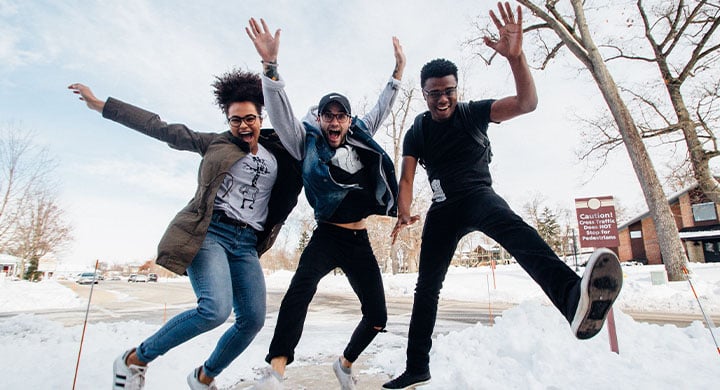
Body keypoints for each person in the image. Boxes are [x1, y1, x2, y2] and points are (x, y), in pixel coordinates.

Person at [382, 2, 623, 389]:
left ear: (456, 90)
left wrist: (516, 58)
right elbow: (407, 178)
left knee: (517, 232)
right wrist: (404, 212)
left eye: (448, 91)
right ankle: (416, 366)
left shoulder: (474, 113)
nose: (441, 100)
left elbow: (527, 103)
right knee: (426, 287)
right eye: (433, 94)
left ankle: (573, 299)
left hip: (479, 195)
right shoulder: (417, 131)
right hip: (443, 210)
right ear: (423, 93)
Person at [68, 70, 302, 390]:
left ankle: (203, 378)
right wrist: (103, 106)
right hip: (209, 235)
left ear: (261, 118)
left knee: (252, 321)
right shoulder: (216, 143)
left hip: (246, 243)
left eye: (249, 118)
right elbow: (161, 128)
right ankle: (134, 359)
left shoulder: (281, 149)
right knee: (214, 310)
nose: (243, 126)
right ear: (228, 121)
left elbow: (309, 138)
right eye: (235, 120)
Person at [245, 18, 405, 390]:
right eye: (328, 115)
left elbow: (382, 107)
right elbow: (282, 112)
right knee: (299, 292)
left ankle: (345, 364)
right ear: (319, 119)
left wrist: (398, 71)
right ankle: (277, 370)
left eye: (341, 116)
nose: (335, 122)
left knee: (378, 316)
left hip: (358, 240)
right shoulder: (306, 143)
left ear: (348, 120)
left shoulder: (360, 136)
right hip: (326, 236)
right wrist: (271, 69)